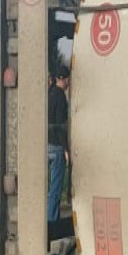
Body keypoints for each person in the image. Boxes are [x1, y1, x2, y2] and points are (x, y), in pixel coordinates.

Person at [47, 65, 70, 222]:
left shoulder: (49, 94)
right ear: (65, 79)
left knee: (48, 188)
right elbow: (61, 125)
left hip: (47, 145)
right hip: (57, 147)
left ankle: (47, 219)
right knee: (55, 189)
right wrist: (66, 149)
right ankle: (52, 221)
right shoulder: (61, 96)